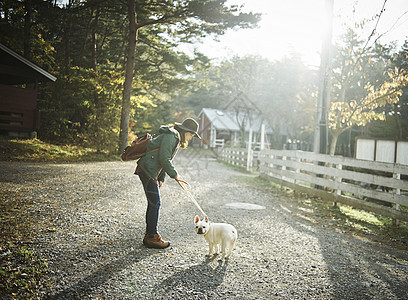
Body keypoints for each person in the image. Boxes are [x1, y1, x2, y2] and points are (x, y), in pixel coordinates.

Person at [135, 118, 201, 249]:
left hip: (151, 170)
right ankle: (151, 237)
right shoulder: (172, 136)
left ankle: (150, 234)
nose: (190, 138)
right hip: (147, 169)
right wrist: (176, 175)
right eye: (191, 135)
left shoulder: (174, 137)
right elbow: (164, 158)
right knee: (155, 203)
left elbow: (165, 158)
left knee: (154, 202)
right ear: (186, 131)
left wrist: (161, 178)